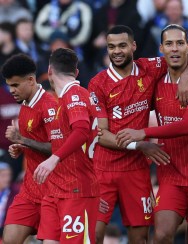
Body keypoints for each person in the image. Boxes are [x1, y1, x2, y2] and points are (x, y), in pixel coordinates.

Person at [88, 25, 188, 243]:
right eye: (111, 47)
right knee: (93, 233)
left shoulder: (149, 68)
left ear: (133, 46)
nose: (117, 51)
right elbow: (101, 134)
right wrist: (139, 145)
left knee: (140, 237)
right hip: (104, 169)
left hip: (136, 171)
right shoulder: (98, 83)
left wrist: (187, 76)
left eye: (122, 45)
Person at [115, 24, 188, 243]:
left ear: (187, 47)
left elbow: (186, 126)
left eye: (180, 43)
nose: (175, 48)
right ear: (161, 49)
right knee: (162, 235)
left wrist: (142, 132)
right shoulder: (155, 81)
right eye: (169, 44)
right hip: (171, 175)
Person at [33, 48, 100, 243]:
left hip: (77, 190)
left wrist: (53, 159)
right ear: (76, 72)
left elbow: (81, 131)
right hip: (56, 189)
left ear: (49, 71)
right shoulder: (63, 100)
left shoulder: (75, 94)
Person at [2, 53, 57, 243]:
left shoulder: (50, 106)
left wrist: (23, 140)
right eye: (9, 85)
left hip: (54, 191)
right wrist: (20, 146)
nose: (11, 90)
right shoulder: (25, 105)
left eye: (15, 85)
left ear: (31, 80)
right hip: (29, 191)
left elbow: (59, 149)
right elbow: (34, 141)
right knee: (9, 240)